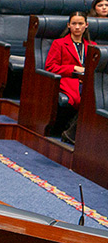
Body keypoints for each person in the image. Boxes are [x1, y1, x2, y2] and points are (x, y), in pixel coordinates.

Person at [46, 11, 94, 145]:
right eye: (74, 24)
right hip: (68, 80)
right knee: (84, 100)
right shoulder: (59, 43)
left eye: (80, 24)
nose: (77, 27)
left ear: (86, 25)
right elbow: (50, 67)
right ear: (68, 25)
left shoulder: (92, 46)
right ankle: (73, 133)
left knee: (95, 100)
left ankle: (72, 133)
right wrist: (73, 69)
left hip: (88, 82)